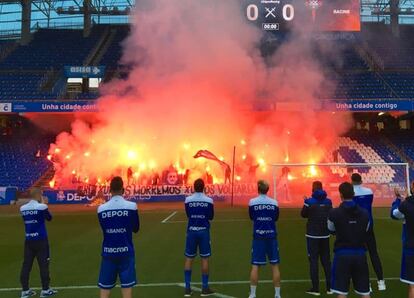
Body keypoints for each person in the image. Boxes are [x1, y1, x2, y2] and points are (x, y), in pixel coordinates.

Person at [97, 176, 139, 298]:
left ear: (110, 190)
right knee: (127, 290)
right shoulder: (132, 206)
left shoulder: (101, 209)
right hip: (126, 252)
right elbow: (136, 229)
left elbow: (104, 229)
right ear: (123, 189)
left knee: (105, 290)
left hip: (108, 252)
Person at [328, 182, 371, 298]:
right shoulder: (365, 213)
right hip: (360, 254)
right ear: (353, 193)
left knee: (341, 292)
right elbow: (366, 230)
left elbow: (330, 229)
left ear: (340, 194)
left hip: (342, 254)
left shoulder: (334, 213)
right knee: (365, 292)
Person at [19, 187, 57, 298]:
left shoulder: (23, 208)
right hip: (41, 240)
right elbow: (49, 218)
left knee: (26, 265)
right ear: (38, 195)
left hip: (29, 240)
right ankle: (45, 290)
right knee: (44, 265)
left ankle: (25, 291)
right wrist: (44, 204)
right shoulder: (42, 207)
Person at [351, 173, 386, 290]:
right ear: (361, 181)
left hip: (357, 227)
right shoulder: (369, 191)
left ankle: (367, 284)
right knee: (374, 253)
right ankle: (381, 282)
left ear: (352, 181)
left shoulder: (351, 193)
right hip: (369, 225)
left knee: (362, 255)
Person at [248, 180, 281, 298]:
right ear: (268, 189)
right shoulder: (274, 203)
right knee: (275, 265)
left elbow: (252, 217)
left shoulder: (252, 202)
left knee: (255, 265)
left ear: (258, 189)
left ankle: (252, 294)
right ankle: (277, 295)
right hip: (271, 236)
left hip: (258, 237)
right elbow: (276, 218)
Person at [184, 178, 215, 297]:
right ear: (204, 187)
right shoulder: (209, 200)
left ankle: (187, 288)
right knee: (205, 259)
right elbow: (211, 216)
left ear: (193, 187)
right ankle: (205, 288)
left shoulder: (188, 200)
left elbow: (188, 215)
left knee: (189, 258)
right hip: (204, 232)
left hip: (191, 231)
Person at [301, 181, 333, 296]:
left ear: (312, 189)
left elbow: (303, 214)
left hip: (312, 235)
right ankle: (330, 287)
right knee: (326, 261)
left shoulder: (309, 202)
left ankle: (315, 289)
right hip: (325, 234)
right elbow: (331, 214)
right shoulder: (328, 201)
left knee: (313, 261)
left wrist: (305, 202)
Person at [391, 185, 414, 298]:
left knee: (413, 285)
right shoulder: (407, 204)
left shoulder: (406, 205)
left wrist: (398, 199)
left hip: (410, 247)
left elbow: (394, 214)